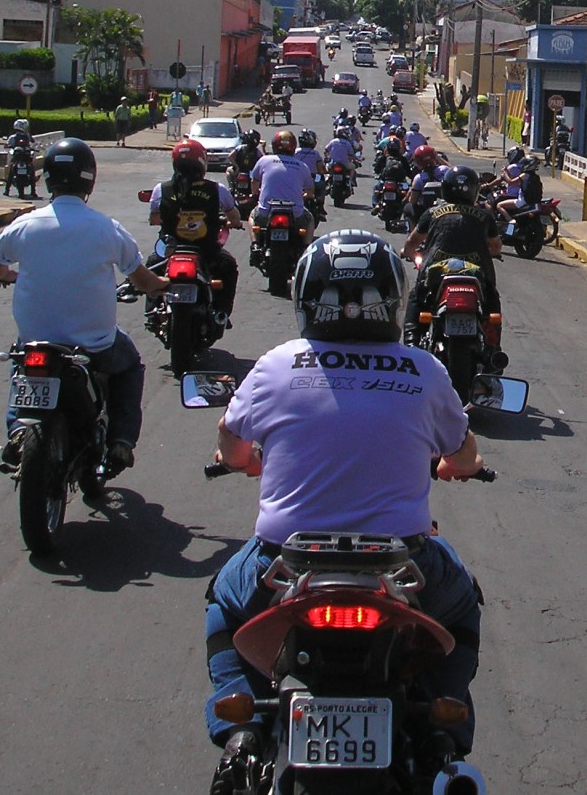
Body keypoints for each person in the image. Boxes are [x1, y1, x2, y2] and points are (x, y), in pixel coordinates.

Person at [204, 229, 487, 793]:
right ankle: (442, 728)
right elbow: (463, 454)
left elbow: (231, 445)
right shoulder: (424, 370)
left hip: (283, 566)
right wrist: (456, 466)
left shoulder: (276, 365)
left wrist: (245, 461)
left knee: (224, 604)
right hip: (403, 567)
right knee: (462, 608)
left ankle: (243, 731)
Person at [0, 137, 170, 472]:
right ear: (90, 179)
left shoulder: (24, 225)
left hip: (35, 340)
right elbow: (142, 280)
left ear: (47, 178)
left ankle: (17, 432)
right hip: (94, 345)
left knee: (21, 362)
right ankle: (121, 441)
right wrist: (161, 285)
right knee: (130, 366)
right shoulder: (107, 229)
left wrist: (11, 276)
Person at [400, 165, 503, 359]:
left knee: (417, 297)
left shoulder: (432, 213)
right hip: (477, 274)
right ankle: (493, 348)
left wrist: (407, 253)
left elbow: (412, 243)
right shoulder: (484, 217)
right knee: (491, 301)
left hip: (437, 272)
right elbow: (496, 247)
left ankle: (412, 341)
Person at [150, 139, 242, 325]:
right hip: (206, 251)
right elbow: (234, 216)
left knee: (152, 266)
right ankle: (221, 313)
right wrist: (232, 223)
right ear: (202, 162)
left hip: (170, 251)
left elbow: (154, 219)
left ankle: (152, 312)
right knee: (229, 267)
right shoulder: (217, 190)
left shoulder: (161, 189)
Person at [249, 130, 315, 261]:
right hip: (295, 213)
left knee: (252, 216)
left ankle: (255, 244)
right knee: (310, 220)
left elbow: (254, 182)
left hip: (266, 211)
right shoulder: (302, 166)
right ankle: (305, 250)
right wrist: (302, 196)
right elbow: (310, 192)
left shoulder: (264, 160)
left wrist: (256, 193)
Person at [294, 128, 327, 221]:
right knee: (321, 183)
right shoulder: (315, 153)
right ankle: (320, 207)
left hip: (297, 178)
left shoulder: (295, 152)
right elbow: (321, 169)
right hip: (312, 178)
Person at [3, 118, 40, 199]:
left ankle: (7, 190)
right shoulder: (27, 136)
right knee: (31, 171)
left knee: (11, 172)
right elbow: (34, 143)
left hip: (20, 158)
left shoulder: (13, 137)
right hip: (23, 158)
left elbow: (8, 145)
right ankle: (33, 191)